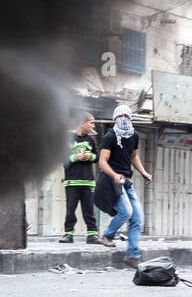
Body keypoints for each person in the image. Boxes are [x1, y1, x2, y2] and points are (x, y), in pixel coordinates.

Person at [97, 104, 152, 267]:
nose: (123, 119)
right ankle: (107, 235)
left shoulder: (134, 135)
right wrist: (114, 175)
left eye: (126, 116)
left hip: (126, 181)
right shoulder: (110, 136)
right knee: (126, 212)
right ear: (115, 118)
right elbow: (102, 162)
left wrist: (144, 172)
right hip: (112, 182)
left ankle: (132, 255)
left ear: (130, 118)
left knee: (137, 218)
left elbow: (134, 156)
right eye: (120, 117)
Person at [59, 112, 101, 244]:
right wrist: (75, 157)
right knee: (70, 209)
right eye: (91, 122)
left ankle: (92, 235)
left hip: (88, 181)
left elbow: (98, 157)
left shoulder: (91, 140)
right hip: (72, 181)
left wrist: (90, 157)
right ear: (82, 123)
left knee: (89, 209)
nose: (93, 125)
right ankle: (68, 234)